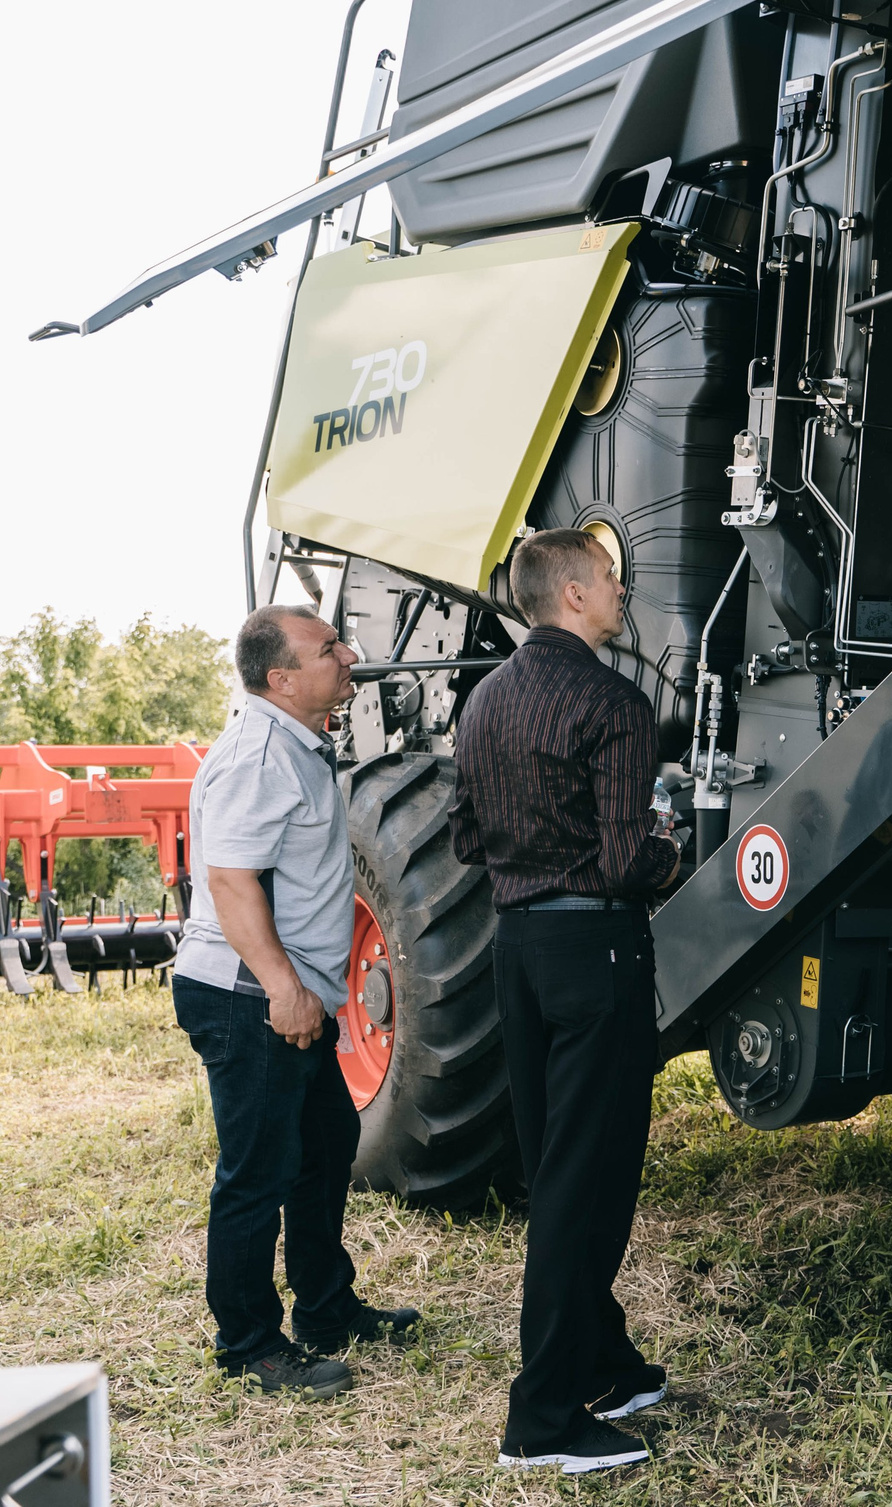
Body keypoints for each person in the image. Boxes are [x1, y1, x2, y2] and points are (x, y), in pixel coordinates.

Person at [452, 529, 682, 1474]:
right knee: (585, 1184)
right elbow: (631, 859)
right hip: (598, 952)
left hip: (519, 950)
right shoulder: (614, 702)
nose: (623, 594)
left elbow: (468, 837)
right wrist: (674, 850)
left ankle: (601, 1361)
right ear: (577, 592)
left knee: (559, 1163)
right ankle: (542, 1417)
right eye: (614, 582)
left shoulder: (483, 701)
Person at [173, 603, 420, 1399]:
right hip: (252, 992)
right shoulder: (257, 754)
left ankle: (324, 1307)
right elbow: (231, 882)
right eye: (326, 649)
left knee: (323, 1144)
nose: (348, 655)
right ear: (281, 677)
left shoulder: (294, 741)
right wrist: (284, 989)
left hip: (287, 988)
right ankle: (248, 1344)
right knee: (259, 1171)